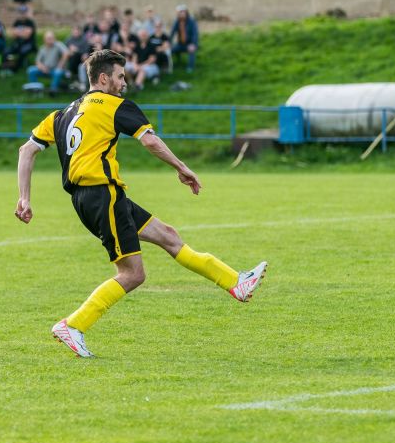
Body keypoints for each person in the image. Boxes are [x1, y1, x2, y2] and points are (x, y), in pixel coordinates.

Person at [15, 49, 267, 358]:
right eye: (120, 76)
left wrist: (24, 197)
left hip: (97, 197)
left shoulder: (62, 114)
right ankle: (74, 325)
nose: (124, 82)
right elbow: (149, 140)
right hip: (101, 195)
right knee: (133, 274)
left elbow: (26, 150)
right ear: (104, 78)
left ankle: (235, 283)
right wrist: (182, 167)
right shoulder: (115, 106)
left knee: (169, 236)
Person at [27, 31, 69, 95]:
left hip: (56, 69)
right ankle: (35, 90)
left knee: (58, 72)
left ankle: (53, 90)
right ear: (44, 39)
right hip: (45, 69)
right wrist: (42, 67)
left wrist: (60, 65)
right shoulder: (42, 48)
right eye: (48, 38)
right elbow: (37, 61)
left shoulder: (58, 44)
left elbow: (66, 53)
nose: (50, 40)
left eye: (52, 38)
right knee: (31, 70)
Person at [3, 5, 37, 72]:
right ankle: (7, 67)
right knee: (6, 51)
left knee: (22, 51)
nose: (22, 14)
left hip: (29, 44)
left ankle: (15, 69)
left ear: (26, 13)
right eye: (21, 12)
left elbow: (27, 36)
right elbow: (12, 35)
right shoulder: (17, 22)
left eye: (24, 12)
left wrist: (17, 32)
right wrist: (23, 32)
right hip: (17, 43)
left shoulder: (30, 22)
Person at [170, 4, 198, 73]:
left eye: (183, 12)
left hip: (190, 43)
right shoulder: (177, 21)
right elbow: (172, 33)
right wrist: (168, 42)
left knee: (191, 50)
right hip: (180, 44)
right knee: (170, 51)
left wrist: (193, 44)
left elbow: (195, 34)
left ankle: (190, 67)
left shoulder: (191, 21)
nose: (182, 14)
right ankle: (171, 65)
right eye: (180, 12)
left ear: (186, 12)